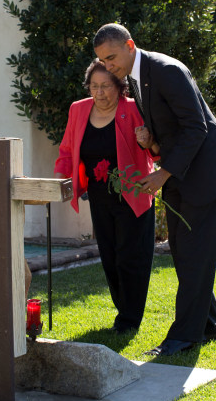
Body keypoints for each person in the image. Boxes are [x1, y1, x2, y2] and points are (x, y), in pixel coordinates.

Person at [93, 23, 216, 356]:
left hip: (204, 174)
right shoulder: (136, 79)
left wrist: (162, 173)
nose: (108, 67)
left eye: (111, 58)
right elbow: (172, 132)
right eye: (102, 61)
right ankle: (212, 326)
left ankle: (183, 337)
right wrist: (152, 144)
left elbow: (196, 127)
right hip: (179, 175)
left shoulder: (167, 70)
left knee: (194, 255)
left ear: (130, 45)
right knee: (186, 254)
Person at [54, 59, 156, 334]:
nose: (99, 92)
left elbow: (157, 149)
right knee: (110, 257)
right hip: (99, 196)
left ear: (119, 87)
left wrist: (147, 142)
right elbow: (67, 150)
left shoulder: (134, 109)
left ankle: (129, 319)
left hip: (133, 194)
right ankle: (124, 308)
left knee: (131, 257)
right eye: (94, 86)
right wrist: (59, 181)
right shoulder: (78, 110)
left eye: (105, 86)